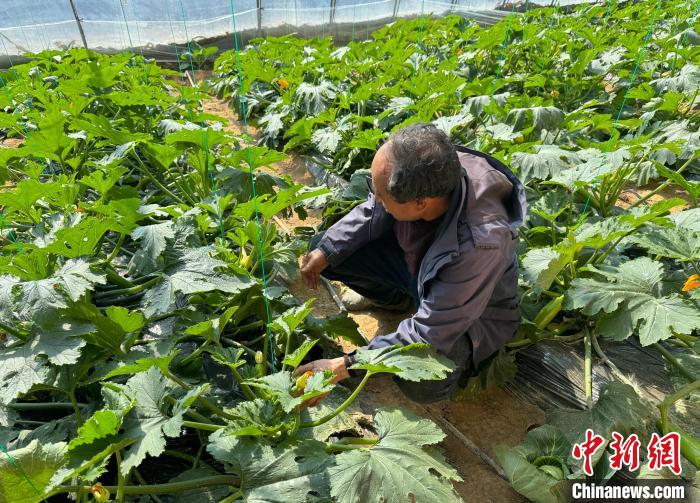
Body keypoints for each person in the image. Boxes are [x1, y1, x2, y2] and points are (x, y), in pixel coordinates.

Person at [297, 122, 526, 404]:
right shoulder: (431, 166)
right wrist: (328, 248)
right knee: (329, 253)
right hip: (420, 270)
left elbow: (428, 334)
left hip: (469, 312)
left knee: (422, 381)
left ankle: (460, 371)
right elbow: (375, 208)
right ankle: (397, 302)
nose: (376, 198)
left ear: (420, 203)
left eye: (382, 195)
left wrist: (345, 366)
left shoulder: (481, 244)